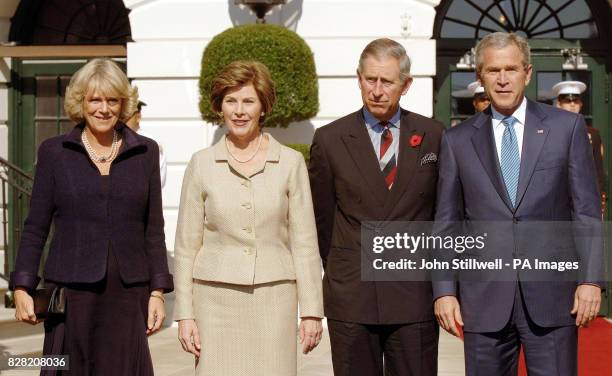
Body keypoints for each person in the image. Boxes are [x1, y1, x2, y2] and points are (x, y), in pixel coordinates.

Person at [433, 32, 604, 376]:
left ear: (527, 73)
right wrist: (444, 290)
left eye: (511, 69)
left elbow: (586, 212)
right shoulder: (457, 140)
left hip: (553, 299)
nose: (502, 78)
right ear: (479, 76)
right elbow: (447, 222)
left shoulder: (565, 129)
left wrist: (591, 280)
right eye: (493, 70)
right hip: (483, 303)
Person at [10, 58, 173, 375]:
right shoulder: (54, 152)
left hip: (128, 295)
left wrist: (158, 292)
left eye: (112, 100)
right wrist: (21, 287)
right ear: (80, 102)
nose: (103, 108)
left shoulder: (146, 152)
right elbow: (35, 228)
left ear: (123, 104)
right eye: (95, 99)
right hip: (70, 294)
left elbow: (153, 230)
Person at [173, 60, 323, 376]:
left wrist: (311, 312)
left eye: (248, 101)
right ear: (219, 107)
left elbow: (305, 243)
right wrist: (185, 314)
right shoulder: (201, 164)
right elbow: (186, 247)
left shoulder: (291, 163)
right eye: (231, 101)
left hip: (275, 300)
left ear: (263, 107)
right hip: (214, 304)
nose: (239, 111)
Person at [308, 38, 443, 376]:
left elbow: (443, 216)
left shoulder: (434, 135)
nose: (377, 90)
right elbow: (321, 221)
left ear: (406, 84)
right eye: (370, 79)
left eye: (387, 81)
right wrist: (346, 263)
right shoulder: (330, 140)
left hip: (414, 294)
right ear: (359, 79)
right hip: (353, 296)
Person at [553, 80, 606, 216]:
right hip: (556, 198)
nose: (572, 105)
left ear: (581, 104)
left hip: (585, 199)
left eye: (576, 101)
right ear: (558, 104)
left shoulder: (592, 134)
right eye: (567, 101)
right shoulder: (548, 132)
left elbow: (597, 169)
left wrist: (600, 199)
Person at [126, 100, 168, 188]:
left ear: (138, 116)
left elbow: (158, 182)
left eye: (126, 116)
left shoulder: (150, 144)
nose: (121, 120)